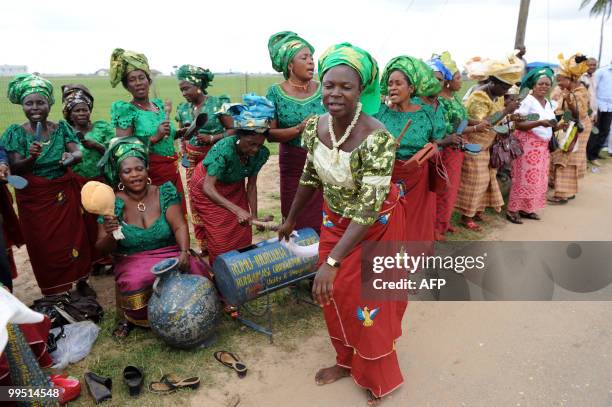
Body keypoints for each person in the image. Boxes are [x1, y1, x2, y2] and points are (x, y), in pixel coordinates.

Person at [279, 43, 408, 406]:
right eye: (329, 85)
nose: (335, 93)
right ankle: (345, 360)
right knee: (332, 297)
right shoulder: (315, 126)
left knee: (369, 305)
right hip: (334, 222)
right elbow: (309, 176)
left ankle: (377, 376)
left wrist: (332, 262)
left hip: (373, 228)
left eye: (345, 87)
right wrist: (290, 218)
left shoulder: (376, 137)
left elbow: (368, 210)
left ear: (361, 91)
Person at [96, 137, 207, 337]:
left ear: (147, 169)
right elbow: (102, 247)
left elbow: (179, 225)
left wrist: (183, 251)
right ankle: (135, 317)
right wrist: (111, 232)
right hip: (133, 259)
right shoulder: (112, 203)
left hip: (170, 253)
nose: (134, 175)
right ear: (119, 176)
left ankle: (191, 312)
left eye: (139, 168)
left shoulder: (164, 192)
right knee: (137, 281)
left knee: (196, 268)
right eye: (127, 171)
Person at [0, 74, 92, 296]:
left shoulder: (61, 129)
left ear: (49, 103)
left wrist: (70, 158)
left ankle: (80, 282)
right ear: (21, 105)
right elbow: (16, 168)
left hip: (64, 193)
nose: (35, 108)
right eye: (29, 103)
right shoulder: (16, 133)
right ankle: (54, 290)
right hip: (34, 199)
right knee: (45, 245)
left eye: (40, 102)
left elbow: (77, 151)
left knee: (74, 238)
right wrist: (31, 158)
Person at [375, 56, 457, 243]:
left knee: (414, 218)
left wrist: (431, 149)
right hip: (388, 176)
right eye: (390, 84)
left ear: (411, 88)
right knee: (388, 218)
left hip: (417, 177)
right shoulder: (380, 113)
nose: (393, 88)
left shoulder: (426, 113)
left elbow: (437, 140)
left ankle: (411, 258)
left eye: (398, 83)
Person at [190, 95, 272, 266]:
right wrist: (237, 210)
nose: (255, 150)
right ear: (238, 137)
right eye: (250, 144)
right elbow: (208, 187)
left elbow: (251, 186)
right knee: (221, 235)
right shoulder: (224, 149)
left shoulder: (261, 154)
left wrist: (254, 217)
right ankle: (221, 275)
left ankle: (240, 272)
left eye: (259, 144)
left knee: (242, 230)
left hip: (233, 185)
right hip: (207, 188)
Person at [109, 48, 185, 212]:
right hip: (148, 176)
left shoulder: (158, 106)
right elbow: (123, 148)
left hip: (172, 172)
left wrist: (179, 133)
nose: (138, 83)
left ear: (148, 80)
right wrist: (155, 137)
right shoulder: (126, 110)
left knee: (177, 218)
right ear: (126, 85)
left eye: (141, 78)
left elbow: (167, 136)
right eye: (132, 80)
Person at [266, 31, 326, 234]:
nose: (311, 62)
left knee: (325, 216)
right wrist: (300, 128)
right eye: (304, 58)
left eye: (311, 57)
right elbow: (270, 134)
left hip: (325, 162)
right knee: (295, 217)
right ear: (290, 65)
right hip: (293, 164)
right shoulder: (275, 93)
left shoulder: (323, 89)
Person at [455, 56, 522, 230]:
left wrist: (510, 116)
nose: (506, 91)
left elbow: (498, 117)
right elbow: (482, 123)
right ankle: (466, 216)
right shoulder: (479, 97)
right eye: (504, 86)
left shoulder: (497, 95)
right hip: (473, 145)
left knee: (487, 180)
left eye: (508, 87)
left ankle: (477, 211)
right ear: (493, 81)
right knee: (474, 181)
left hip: (488, 145)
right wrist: (507, 110)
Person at [175, 64, 233, 254]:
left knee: (216, 199)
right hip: (192, 162)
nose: (183, 93)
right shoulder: (183, 109)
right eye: (181, 89)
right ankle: (205, 245)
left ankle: (222, 240)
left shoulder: (217, 104)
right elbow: (182, 138)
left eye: (186, 88)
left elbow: (233, 130)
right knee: (197, 201)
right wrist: (183, 146)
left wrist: (212, 138)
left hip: (216, 160)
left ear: (198, 84)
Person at [435, 52, 489, 237]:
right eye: (458, 77)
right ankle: (437, 226)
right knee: (445, 188)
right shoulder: (442, 101)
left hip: (458, 149)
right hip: (448, 149)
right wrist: (475, 129)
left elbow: (464, 119)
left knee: (453, 187)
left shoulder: (454, 99)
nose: (461, 80)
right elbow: (450, 128)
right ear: (448, 81)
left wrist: (479, 123)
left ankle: (445, 220)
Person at [62, 84, 115, 274]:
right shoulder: (65, 133)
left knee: (104, 218)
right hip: (77, 184)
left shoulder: (101, 128)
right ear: (69, 113)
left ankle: (111, 258)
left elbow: (115, 152)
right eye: (77, 110)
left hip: (101, 181)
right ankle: (94, 261)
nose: (82, 113)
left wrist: (97, 146)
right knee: (84, 223)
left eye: (85, 109)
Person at [507, 67, 563, 222]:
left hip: (542, 147)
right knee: (522, 178)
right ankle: (513, 210)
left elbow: (548, 125)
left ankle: (528, 208)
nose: (544, 87)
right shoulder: (527, 101)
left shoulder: (548, 103)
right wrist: (538, 123)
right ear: (533, 85)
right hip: (527, 144)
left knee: (537, 178)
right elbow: (518, 124)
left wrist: (558, 126)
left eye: (547, 84)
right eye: (540, 84)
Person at [549, 53, 592, 204]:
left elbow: (578, 114)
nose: (558, 82)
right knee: (564, 155)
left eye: (560, 80)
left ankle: (562, 194)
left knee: (566, 157)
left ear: (570, 79)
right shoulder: (564, 90)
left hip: (577, 127)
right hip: (567, 124)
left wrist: (569, 100)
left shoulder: (580, 92)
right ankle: (568, 190)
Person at [594, 60, 612, 155]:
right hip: (599, 105)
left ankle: (596, 153)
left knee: (605, 130)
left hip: (610, 107)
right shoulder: (602, 71)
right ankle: (590, 155)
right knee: (595, 131)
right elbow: (593, 88)